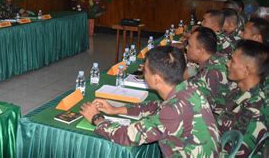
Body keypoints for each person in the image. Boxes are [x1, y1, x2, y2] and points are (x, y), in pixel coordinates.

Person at [80, 46, 220, 157]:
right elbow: (157, 106)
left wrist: (97, 118)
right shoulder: (189, 89)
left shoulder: (172, 110)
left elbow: (127, 136)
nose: (143, 73)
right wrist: (117, 109)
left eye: (145, 71)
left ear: (156, 79)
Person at [217, 40, 268, 157]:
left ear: (247, 70)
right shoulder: (238, 91)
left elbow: (237, 154)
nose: (227, 64)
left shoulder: (255, 110)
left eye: (233, 61)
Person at [185, 26, 231, 116]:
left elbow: (185, 101)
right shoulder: (220, 57)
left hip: (218, 119)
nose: (187, 48)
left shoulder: (209, 74)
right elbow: (195, 71)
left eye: (190, 45)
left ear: (201, 51)